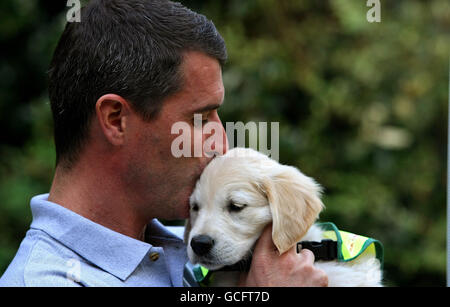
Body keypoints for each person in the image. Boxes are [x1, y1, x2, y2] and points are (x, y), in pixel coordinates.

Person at [0, 0, 328, 287]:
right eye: (200, 118)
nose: (222, 144)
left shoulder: (201, 248)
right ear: (116, 119)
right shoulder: (45, 281)